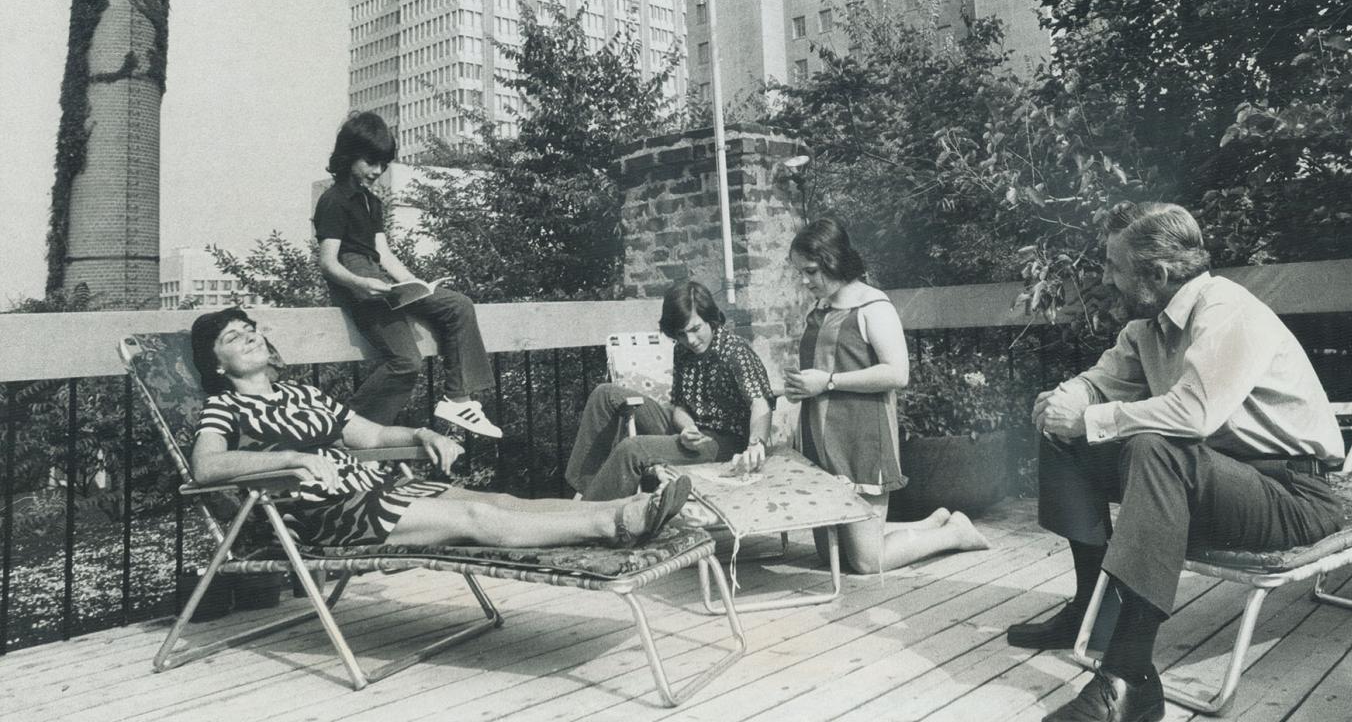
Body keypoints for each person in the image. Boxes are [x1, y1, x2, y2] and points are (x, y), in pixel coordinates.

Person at [1011, 202, 1345, 722]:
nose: (1104, 279)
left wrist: (1091, 416)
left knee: (1154, 444)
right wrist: (1067, 400)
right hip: (1215, 482)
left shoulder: (1227, 312)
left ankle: (1129, 676)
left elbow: (1194, 414)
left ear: (1158, 274)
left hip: (1291, 495)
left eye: (1113, 268)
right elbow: (1102, 379)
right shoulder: (1148, 323)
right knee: (1066, 438)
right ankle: (1089, 611)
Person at [187, 307, 691, 550]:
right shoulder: (224, 407)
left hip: (371, 488)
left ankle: (628, 507)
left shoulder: (301, 394)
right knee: (472, 514)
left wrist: (420, 435)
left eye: (250, 329)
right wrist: (292, 459)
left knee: (501, 501)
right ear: (217, 363)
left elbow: (371, 436)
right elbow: (206, 466)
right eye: (234, 337)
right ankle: (614, 524)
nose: (249, 337)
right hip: (314, 513)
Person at [783, 218, 991, 574]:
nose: (805, 281)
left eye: (811, 271)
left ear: (834, 260)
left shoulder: (873, 306)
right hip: (821, 441)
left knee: (867, 561)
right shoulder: (819, 310)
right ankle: (930, 524)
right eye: (800, 272)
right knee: (831, 557)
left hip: (861, 440)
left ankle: (954, 532)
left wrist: (828, 382)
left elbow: (898, 373)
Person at [312, 111, 501, 437]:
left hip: (379, 277)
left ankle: (458, 397)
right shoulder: (333, 200)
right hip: (357, 279)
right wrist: (360, 284)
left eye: (383, 164)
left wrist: (420, 286)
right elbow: (328, 262)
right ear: (349, 155)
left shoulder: (373, 203)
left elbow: (385, 255)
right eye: (370, 162)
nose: (377, 171)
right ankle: (346, 429)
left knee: (458, 305)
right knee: (406, 362)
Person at [565, 281, 773, 501]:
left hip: (723, 443)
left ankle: (592, 517)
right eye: (681, 334)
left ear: (710, 319)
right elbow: (680, 407)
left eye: (695, 329)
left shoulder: (735, 352)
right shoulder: (682, 350)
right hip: (692, 431)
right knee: (605, 394)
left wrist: (756, 443)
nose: (690, 340)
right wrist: (688, 428)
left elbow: (760, 402)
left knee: (632, 449)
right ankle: (583, 492)